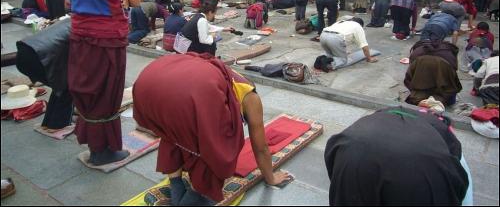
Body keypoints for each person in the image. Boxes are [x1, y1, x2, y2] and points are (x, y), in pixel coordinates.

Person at [133, 53, 291, 205]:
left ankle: (176, 186)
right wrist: (271, 178)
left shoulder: (221, 72)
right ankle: (197, 196)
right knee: (216, 145)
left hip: (148, 82)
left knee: (173, 132)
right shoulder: (251, 97)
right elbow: (261, 146)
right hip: (183, 94)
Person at [68, 0, 140, 166]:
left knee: (88, 88)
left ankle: (93, 143)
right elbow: (135, 0)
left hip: (79, 37)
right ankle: (103, 151)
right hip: (107, 39)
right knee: (107, 92)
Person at [324, 107, 470, 206]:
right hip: (419, 175)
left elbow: (332, 161)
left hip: (350, 153)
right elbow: (460, 189)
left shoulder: (380, 114)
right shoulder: (444, 137)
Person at [16, 19, 74, 131]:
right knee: (68, 86)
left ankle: (50, 123)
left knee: (61, 85)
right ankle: (59, 126)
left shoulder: (72, 20)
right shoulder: (85, 27)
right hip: (37, 56)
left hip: (24, 51)